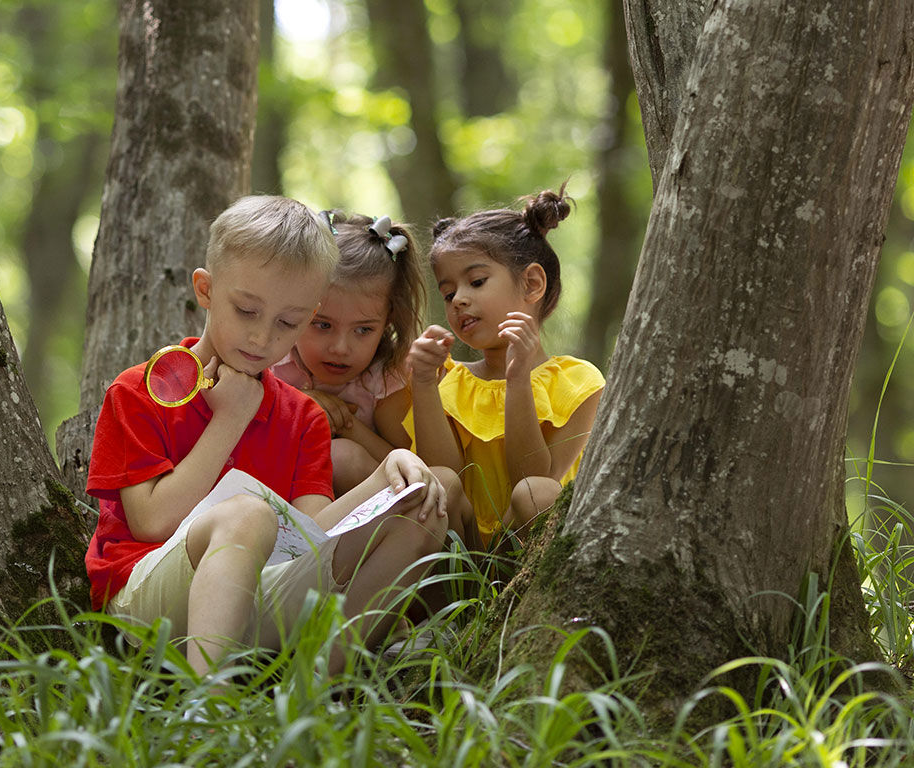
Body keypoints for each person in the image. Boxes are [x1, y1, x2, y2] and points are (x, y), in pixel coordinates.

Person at [84, 195, 457, 678]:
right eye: (246, 311)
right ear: (205, 289)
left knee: (421, 503)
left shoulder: (303, 415)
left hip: (260, 596)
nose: (262, 338)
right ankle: (207, 707)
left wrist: (387, 476)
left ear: (309, 314)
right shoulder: (139, 389)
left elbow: (310, 537)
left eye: (288, 322)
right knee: (247, 516)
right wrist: (231, 418)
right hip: (150, 598)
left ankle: (312, 689)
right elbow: (152, 523)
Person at [403, 185, 605, 548]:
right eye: (448, 294)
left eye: (477, 282)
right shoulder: (452, 380)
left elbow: (535, 483)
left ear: (531, 283)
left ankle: (516, 604)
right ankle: (450, 604)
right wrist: (423, 384)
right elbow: (448, 480)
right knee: (436, 482)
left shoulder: (578, 383)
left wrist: (518, 382)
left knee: (535, 492)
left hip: (527, 555)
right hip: (461, 558)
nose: (459, 300)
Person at [271, 213, 423, 496]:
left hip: (362, 511)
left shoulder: (385, 376)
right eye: (323, 325)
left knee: (340, 456)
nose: (340, 347)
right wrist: (301, 407)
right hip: (278, 500)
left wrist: (346, 424)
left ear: (388, 320)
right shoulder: (273, 361)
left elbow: (407, 463)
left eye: (363, 330)